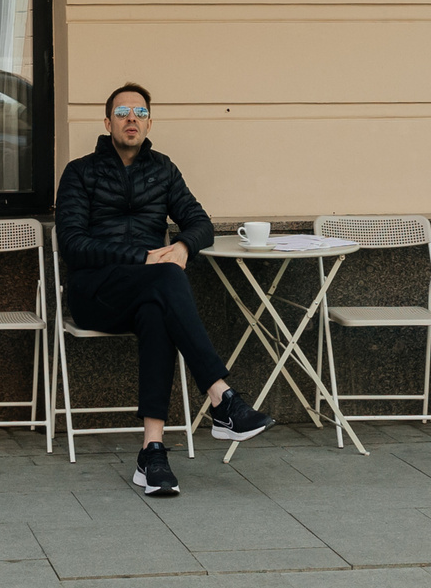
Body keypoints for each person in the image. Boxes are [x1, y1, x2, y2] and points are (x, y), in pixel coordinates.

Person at [54, 83, 273, 496]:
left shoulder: (163, 169)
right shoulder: (80, 172)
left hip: (148, 291)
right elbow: (73, 244)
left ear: (150, 121)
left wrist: (185, 244)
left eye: (139, 111)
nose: (131, 118)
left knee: (158, 308)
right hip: (96, 294)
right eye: (122, 112)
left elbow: (200, 221)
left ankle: (152, 453)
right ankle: (221, 398)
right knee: (167, 278)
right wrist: (142, 258)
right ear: (108, 122)